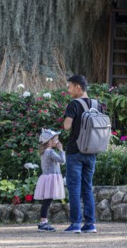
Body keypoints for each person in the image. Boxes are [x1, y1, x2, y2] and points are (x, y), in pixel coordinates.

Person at [63, 74, 102, 234]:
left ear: (78, 87)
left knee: (74, 188)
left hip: (75, 151)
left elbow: (66, 126)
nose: (68, 90)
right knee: (87, 187)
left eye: (70, 87)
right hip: (92, 151)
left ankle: (75, 223)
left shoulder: (74, 104)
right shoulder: (97, 104)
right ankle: (90, 224)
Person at [34, 128, 65, 231]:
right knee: (47, 201)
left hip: (47, 178)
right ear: (50, 142)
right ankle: (43, 223)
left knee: (47, 200)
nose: (58, 141)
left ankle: (43, 222)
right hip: (51, 178)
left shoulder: (44, 152)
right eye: (56, 139)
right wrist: (61, 150)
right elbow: (62, 160)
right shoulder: (50, 152)